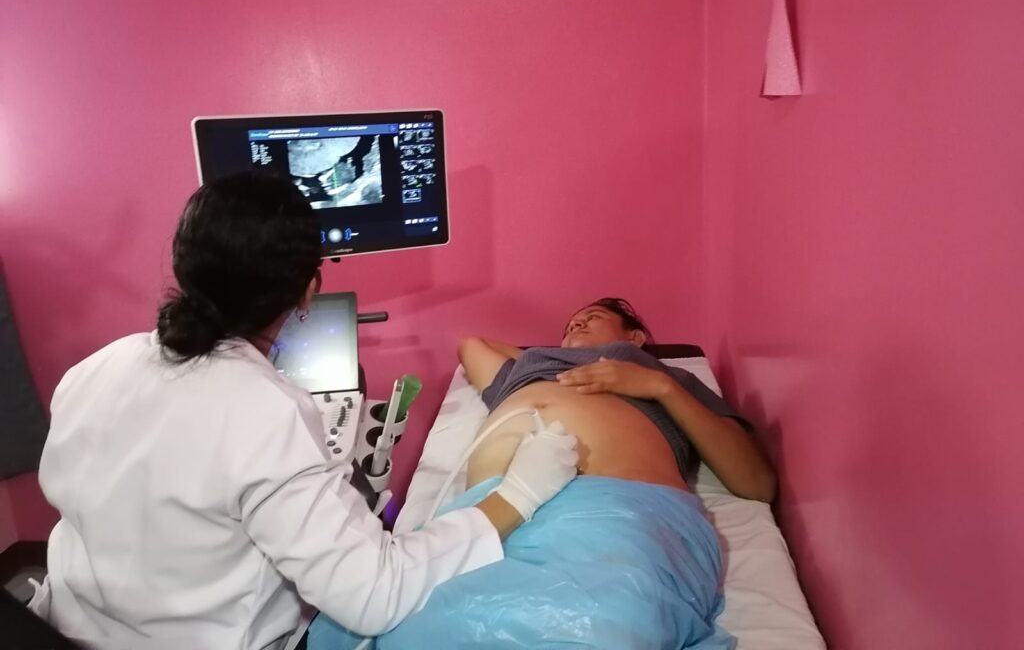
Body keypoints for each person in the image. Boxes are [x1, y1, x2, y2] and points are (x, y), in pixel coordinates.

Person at [30, 172, 578, 649]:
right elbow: (375, 594)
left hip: (59, 632)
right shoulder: (263, 412)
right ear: (309, 290)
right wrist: (519, 494)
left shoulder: (96, 368)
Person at [459, 298, 776, 502]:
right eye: (570, 326)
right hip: (490, 512)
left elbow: (756, 484)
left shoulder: (669, 379)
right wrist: (544, 357)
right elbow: (472, 345)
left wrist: (659, 387)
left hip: (616, 508)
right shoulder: (532, 367)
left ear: (635, 338)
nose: (576, 323)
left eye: (593, 317)